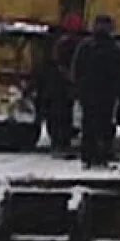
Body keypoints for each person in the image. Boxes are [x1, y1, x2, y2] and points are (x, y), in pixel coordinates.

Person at [71, 14, 120, 168]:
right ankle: (103, 155)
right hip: (108, 94)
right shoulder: (117, 49)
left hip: (88, 92)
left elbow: (77, 69)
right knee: (105, 125)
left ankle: (88, 156)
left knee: (88, 124)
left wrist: (78, 88)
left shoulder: (85, 46)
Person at [45, 12, 85, 158]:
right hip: (62, 86)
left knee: (60, 114)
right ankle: (60, 143)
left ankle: (60, 143)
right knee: (62, 114)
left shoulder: (58, 41)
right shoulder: (70, 43)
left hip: (59, 86)